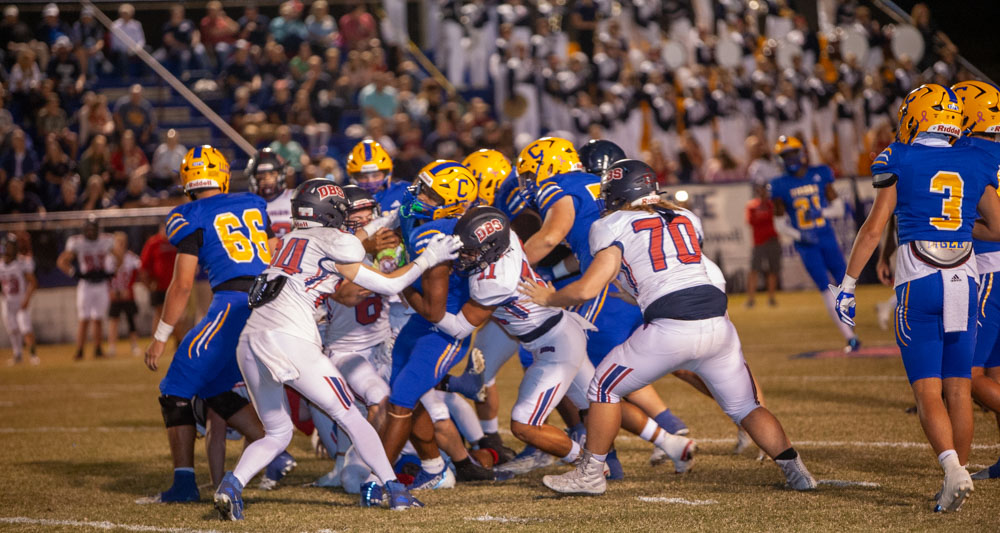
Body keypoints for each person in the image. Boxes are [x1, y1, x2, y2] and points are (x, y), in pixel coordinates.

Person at [523, 159, 817, 495]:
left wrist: (549, 298)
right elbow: (676, 268)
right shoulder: (686, 216)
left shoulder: (611, 224)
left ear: (620, 192)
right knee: (748, 408)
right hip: (717, 324)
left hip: (671, 326)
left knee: (603, 387)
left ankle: (590, 474)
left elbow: (587, 289)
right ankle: (798, 472)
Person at [214, 179, 459, 517]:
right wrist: (430, 257)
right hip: (290, 339)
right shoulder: (334, 241)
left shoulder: (289, 239)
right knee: (350, 416)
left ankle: (231, 485)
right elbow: (391, 283)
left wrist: (387, 217)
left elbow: (347, 241)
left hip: (251, 341)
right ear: (332, 212)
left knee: (278, 433)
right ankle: (394, 489)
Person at [832, 84, 1000, 512]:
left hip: (920, 280)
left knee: (928, 391)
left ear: (916, 116)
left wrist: (848, 284)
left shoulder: (899, 156)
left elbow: (873, 229)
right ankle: (960, 472)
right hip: (965, 279)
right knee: (959, 388)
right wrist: (958, 226)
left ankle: (953, 471)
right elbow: (997, 227)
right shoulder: (975, 157)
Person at [140, 146, 295, 504]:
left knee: (175, 388)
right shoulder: (252, 203)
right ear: (223, 177)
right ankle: (275, 451)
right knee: (214, 386)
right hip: (268, 303)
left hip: (232, 306)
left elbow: (182, 285)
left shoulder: (188, 215)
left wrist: (160, 336)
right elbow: (274, 253)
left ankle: (183, 486)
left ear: (187, 182)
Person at [435, 205, 600, 470]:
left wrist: (422, 307)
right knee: (599, 404)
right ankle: (625, 456)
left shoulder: (494, 282)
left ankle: (589, 466)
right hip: (559, 332)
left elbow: (459, 328)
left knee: (524, 424)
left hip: (555, 347)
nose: (466, 256)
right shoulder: (507, 237)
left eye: (473, 251)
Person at [769, 135, 860, 351]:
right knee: (825, 287)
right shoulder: (779, 185)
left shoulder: (819, 173)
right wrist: (800, 236)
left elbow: (839, 208)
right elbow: (779, 224)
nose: (790, 159)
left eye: (792, 153)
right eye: (785, 156)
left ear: (801, 153)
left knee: (845, 283)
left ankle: (848, 323)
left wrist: (822, 212)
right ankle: (849, 337)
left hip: (827, 237)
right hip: (807, 245)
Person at [952, 80, 1000, 480]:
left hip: (989, 270)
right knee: (997, 372)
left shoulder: (969, 154)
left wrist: (952, 225)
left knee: (967, 377)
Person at [57, 215, 113, 360]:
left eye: (93, 229)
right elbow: (62, 261)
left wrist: (112, 271)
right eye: (88, 229)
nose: (91, 232)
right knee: (84, 318)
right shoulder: (78, 242)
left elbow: (119, 256)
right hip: (86, 284)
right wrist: (74, 273)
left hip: (101, 283)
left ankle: (98, 349)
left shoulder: (106, 241)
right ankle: (80, 350)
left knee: (98, 318)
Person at [0, 233, 38, 366]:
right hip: (7, 302)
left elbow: (33, 282)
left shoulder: (22, 263)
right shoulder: (0, 265)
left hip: (20, 301)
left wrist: (26, 299)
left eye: (12, 246)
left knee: (25, 328)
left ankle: (33, 356)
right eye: (8, 246)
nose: (10, 249)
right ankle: (17, 355)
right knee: (13, 329)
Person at [746, 183, 780, 307]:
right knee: (754, 270)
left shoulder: (772, 204)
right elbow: (750, 221)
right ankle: (751, 299)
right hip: (759, 242)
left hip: (773, 240)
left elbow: (778, 217)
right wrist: (766, 216)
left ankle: (771, 298)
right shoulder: (752, 205)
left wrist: (762, 216)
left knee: (773, 270)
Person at [108, 232, 142, 357]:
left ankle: (134, 345)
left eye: (123, 242)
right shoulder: (109, 258)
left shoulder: (130, 257)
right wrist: (111, 290)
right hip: (115, 293)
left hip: (128, 293)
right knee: (113, 320)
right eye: (118, 242)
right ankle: (112, 346)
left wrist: (128, 288)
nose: (121, 245)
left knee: (131, 319)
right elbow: (107, 276)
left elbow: (138, 269)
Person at [247, 148, 293, 239]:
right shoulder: (248, 203)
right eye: (261, 175)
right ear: (253, 177)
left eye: (272, 174)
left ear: (280, 174)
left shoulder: (295, 197)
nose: (266, 179)